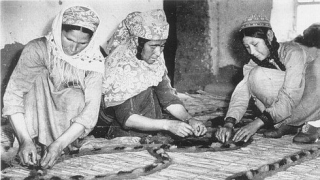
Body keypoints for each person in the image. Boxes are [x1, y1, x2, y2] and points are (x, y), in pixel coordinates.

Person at [2, 5, 104, 169]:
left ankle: (59, 148)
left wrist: (60, 143)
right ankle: (31, 144)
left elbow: (91, 111)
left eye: (82, 43)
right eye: (69, 39)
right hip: (30, 130)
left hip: (68, 135)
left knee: (76, 94)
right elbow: (14, 95)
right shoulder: (37, 49)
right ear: (59, 31)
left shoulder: (94, 61)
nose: (73, 48)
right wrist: (24, 139)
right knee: (40, 77)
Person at [102, 9, 207, 139]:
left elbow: (169, 99)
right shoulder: (120, 67)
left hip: (154, 129)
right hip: (124, 136)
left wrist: (189, 119)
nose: (158, 52)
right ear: (137, 43)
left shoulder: (155, 65)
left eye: (162, 46)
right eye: (153, 46)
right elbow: (127, 118)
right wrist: (168, 125)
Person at [215, 14, 320, 144]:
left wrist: (257, 123)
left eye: (255, 44)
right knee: (256, 75)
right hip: (291, 106)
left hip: (309, 100)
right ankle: (287, 124)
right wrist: (229, 123)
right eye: (247, 47)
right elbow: (241, 94)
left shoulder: (293, 52)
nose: (252, 51)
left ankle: (314, 125)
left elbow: (290, 96)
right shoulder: (252, 64)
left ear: (269, 36)